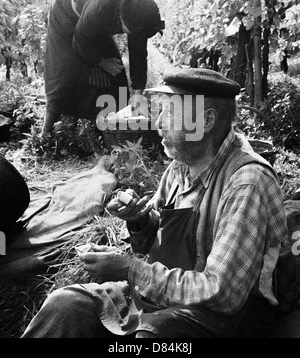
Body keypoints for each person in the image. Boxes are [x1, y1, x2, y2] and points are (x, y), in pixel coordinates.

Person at [22, 67, 287, 339]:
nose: (158, 123)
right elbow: (160, 236)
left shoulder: (247, 183)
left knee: (151, 336)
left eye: (170, 113)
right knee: (66, 305)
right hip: (169, 299)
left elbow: (221, 294)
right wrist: (139, 221)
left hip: (230, 319)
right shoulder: (181, 165)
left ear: (206, 121)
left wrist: (129, 268)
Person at [42, 0, 165, 133]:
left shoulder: (139, 16)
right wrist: (101, 62)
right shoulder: (100, 9)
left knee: (117, 73)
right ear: (122, 20)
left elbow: (138, 56)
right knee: (65, 74)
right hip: (64, 14)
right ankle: (46, 134)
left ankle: (114, 128)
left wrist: (138, 93)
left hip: (90, 24)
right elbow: (80, 42)